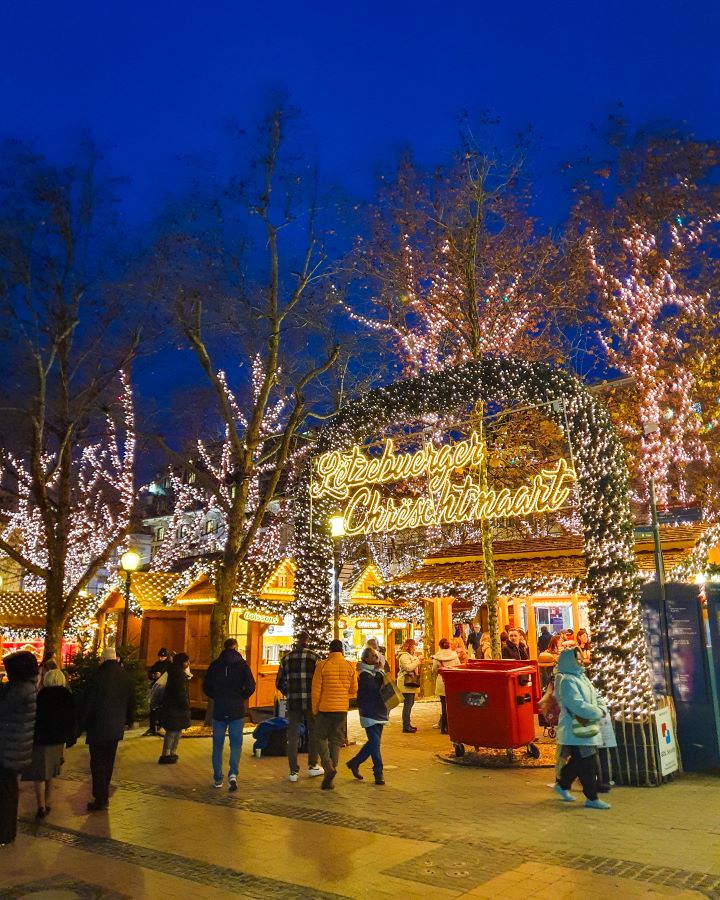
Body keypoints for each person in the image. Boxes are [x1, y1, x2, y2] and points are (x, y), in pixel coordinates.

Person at [553, 647, 610, 810]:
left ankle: (562, 784)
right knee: (587, 763)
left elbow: (596, 695)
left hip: (585, 728)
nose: (581, 660)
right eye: (577, 658)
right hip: (576, 730)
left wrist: (600, 708)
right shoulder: (566, 681)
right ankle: (591, 797)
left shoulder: (582, 676)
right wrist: (598, 712)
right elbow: (576, 705)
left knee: (579, 762)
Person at [81, 647, 135, 811]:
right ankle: (104, 790)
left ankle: (100, 796)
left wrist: (82, 723)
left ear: (103, 659)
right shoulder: (125, 677)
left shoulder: (97, 676)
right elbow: (131, 701)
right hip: (115, 726)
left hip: (98, 726)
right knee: (109, 760)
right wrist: (129, 720)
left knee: (97, 761)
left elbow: (88, 702)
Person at [22, 667, 76, 819]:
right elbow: (71, 720)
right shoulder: (67, 696)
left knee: (39, 774)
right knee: (50, 773)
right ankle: (48, 801)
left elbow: (33, 717)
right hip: (57, 741)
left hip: (40, 740)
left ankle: (41, 806)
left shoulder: (42, 695)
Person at [203, 638, 256, 791]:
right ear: (236, 647)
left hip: (219, 709)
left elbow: (206, 686)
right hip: (236, 710)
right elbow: (251, 685)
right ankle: (233, 774)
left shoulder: (215, 665)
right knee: (236, 745)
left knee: (217, 746)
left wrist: (216, 695)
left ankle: (217, 778)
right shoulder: (242, 665)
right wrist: (241, 696)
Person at [0, 651, 38, 846]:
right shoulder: (27, 687)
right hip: (15, 748)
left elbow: (3, 711)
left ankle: (5, 832)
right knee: (9, 790)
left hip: (9, 749)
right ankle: (7, 831)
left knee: (6, 793)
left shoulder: (19, 690)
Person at [275, 631, 323, 782]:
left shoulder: (286, 658)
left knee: (293, 734)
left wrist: (289, 692)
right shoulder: (315, 657)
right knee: (314, 732)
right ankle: (312, 765)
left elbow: (279, 682)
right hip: (310, 701)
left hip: (293, 701)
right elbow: (320, 680)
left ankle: (293, 771)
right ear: (307, 640)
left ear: (296, 641)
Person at [311, 639, 358, 791]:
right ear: (342, 651)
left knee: (320, 737)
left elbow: (316, 691)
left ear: (329, 650)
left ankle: (327, 765)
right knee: (336, 740)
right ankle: (331, 772)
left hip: (325, 708)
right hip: (341, 709)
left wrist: (315, 709)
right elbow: (353, 689)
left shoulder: (322, 666)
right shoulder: (349, 666)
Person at [346, 647, 387, 785]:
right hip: (369, 712)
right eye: (374, 657)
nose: (376, 659)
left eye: (377, 657)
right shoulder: (363, 674)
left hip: (380, 710)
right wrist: (381, 672)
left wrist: (381, 672)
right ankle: (378, 773)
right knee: (375, 744)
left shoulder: (376, 672)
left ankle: (354, 762)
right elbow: (374, 688)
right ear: (366, 659)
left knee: (373, 743)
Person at [158, 652, 191, 764]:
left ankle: (170, 753)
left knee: (175, 730)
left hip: (172, 705)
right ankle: (168, 753)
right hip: (176, 706)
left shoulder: (173, 671)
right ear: (183, 662)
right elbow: (180, 691)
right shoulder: (178, 674)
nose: (188, 663)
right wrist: (185, 704)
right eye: (187, 661)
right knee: (173, 731)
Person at [432, 638, 461, 734]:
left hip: (441, 681)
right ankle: (451, 726)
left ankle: (444, 727)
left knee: (443, 705)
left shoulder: (437, 657)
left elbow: (434, 670)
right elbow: (459, 667)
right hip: (452, 682)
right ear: (449, 645)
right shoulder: (454, 656)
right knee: (451, 705)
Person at [396, 639, 421, 733]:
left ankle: (408, 724)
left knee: (410, 704)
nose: (415, 647)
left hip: (411, 682)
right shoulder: (403, 656)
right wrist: (418, 661)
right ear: (410, 646)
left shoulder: (411, 656)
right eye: (414, 645)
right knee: (408, 704)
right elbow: (408, 667)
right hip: (406, 682)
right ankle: (406, 726)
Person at [144, 648, 170, 736]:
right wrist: (153, 675)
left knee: (161, 709)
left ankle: (161, 726)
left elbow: (168, 676)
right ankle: (152, 727)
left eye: (163, 657)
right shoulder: (157, 664)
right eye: (160, 656)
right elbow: (150, 672)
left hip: (164, 689)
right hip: (156, 687)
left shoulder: (169, 664)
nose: (161, 658)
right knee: (153, 708)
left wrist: (161, 675)